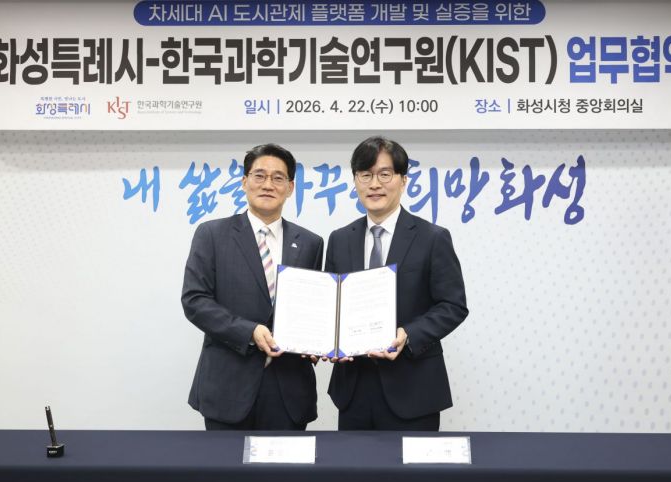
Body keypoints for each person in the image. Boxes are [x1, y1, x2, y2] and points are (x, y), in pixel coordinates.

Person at [325, 136, 469, 431]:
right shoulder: (339, 239)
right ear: (355, 181)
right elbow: (331, 305)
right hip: (353, 390)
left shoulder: (432, 238)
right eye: (365, 175)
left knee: (412, 465)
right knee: (351, 462)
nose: (374, 184)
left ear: (403, 180)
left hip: (413, 388)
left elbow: (453, 305)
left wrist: (408, 334)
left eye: (385, 174)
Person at [182, 143, 323, 430]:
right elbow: (195, 301)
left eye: (278, 177)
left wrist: (319, 340)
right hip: (228, 387)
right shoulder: (212, 234)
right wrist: (249, 332)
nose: (268, 184)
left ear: (290, 187)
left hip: (289, 390)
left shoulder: (311, 243)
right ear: (245, 182)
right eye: (259, 176)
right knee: (224, 461)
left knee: (287, 462)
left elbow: (315, 306)